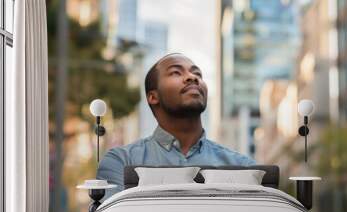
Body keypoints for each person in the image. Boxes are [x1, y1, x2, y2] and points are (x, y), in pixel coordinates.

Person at [97, 53, 256, 197]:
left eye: (197, 74)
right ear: (153, 96)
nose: (192, 77)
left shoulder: (243, 166)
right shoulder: (121, 162)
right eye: (176, 72)